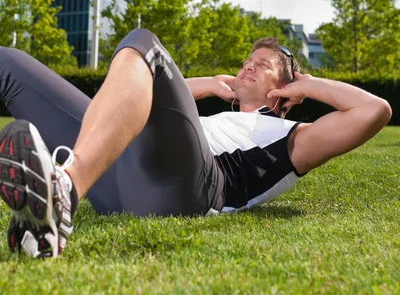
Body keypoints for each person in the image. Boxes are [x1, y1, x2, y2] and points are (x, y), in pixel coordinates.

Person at [0, 28, 392, 258]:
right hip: (117, 176)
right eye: (247, 61)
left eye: (264, 64)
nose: (249, 65)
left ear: (284, 86)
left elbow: (374, 111)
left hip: (188, 190)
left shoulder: (291, 138)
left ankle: (63, 190)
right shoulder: (211, 119)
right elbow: (131, 94)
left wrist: (307, 86)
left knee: (143, 41)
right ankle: (54, 209)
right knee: (10, 64)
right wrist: (209, 85)